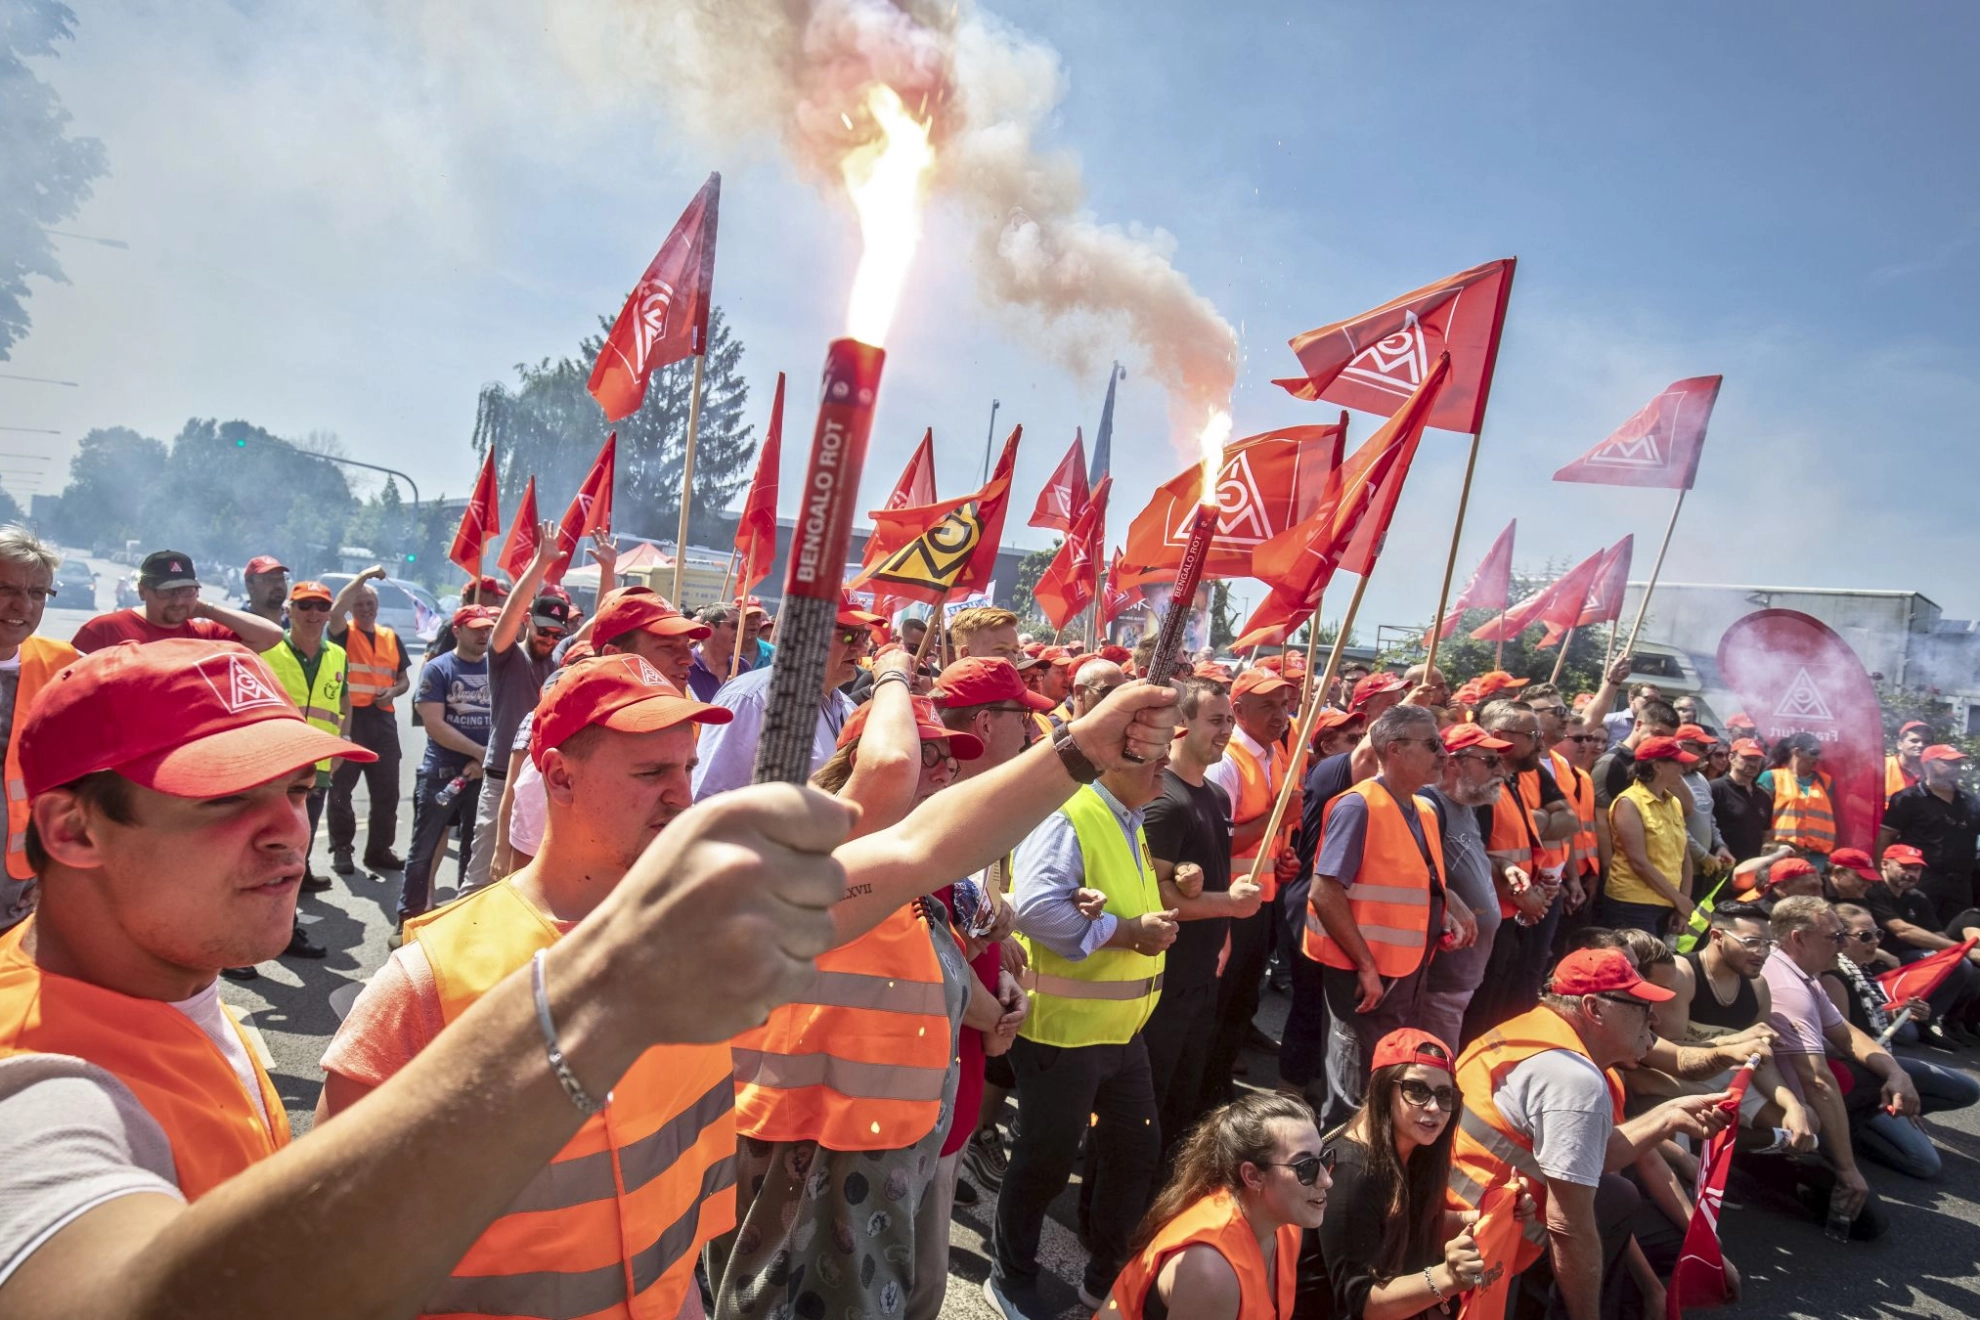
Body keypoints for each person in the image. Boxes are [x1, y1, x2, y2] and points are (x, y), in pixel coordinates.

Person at [718, 669, 1016, 1320]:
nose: (941, 771)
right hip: (811, 1152)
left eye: (948, 759)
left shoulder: (917, 881)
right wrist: (890, 667)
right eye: (928, 755)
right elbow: (888, 771)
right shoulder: (832, 861)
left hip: (889, 1149)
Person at [989, 755, 1180, 1315]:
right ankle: (1010, 1277)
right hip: (1063, 1034)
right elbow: (1036, 910)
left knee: (1135, 1152)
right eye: (1153, 752)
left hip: (1123, 1033)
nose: (1166, 762)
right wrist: (1127, 932)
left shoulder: (1130, 815)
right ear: (1115, 759)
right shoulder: (1070, 812)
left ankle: (1104, 1281)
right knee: (1044, 1163)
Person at [1447, 948, 1734, 1320]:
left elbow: (1588, 1157)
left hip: (1450, 1207)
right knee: (1609, 1215)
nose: (1655, 1018)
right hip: (1480, 1238)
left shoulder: (1534, 1028)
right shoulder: (1575, 1080)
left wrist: (1668, 1115)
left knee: (1616, 1195)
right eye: (1640, 1006)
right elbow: (1569, 1226)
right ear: (1594, 1009)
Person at [1305, 705, 1458, 1128]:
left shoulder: (1423, 807)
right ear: (1394, 750)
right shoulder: (1358, 806)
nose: (1443, 753)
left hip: (1403, 972)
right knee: (1353, 1089)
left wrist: (1455, 909)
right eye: (1432, 744)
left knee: (1381, 1081)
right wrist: (1366, 965)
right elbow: (1324, 890)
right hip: (1364, 976)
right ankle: (1337, 1177)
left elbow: (1422, 875)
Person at [1311, 1030, 1503, 1320]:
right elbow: (1361, 1304)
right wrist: (1446, 1278)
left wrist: (1495, 1217)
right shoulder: (1351, 1174)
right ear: (1383, 1089)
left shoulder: (1413, 1148)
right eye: (1416, 1090)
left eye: (1445, 1094)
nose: (1434, 1107)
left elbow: (1411, 1223)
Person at [1758, 895, 1919, 1237]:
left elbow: (1845, 1034)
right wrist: (1848, 1171)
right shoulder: (1788, 986)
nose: (1843, 943)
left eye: (1843, 934)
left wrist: (1896, 1073)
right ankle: (1779, 1163)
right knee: (1871, 1226)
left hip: (1802, 1100)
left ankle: (1832, 1150)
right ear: (1798, 939)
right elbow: (1817, 1081)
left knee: (1882, 1074)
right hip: (1779, 1108)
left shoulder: (1805, 972)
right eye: (1834, 937)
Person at [1143, 678, 1255, 1155]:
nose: (1226, 730)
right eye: (1216, 720)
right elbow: (1158, 898)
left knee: (1182, 1097)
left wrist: (1224, 931)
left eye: (1229, 720)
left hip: (1203, 972)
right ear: (1181, 724)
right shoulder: (1162, 799)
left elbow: (1211, 877)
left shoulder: (1218, 796)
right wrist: (1228, 905)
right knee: (1151, 1101)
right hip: (1166, 975)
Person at [1102, 1092, 1325, 1320]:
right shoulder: (1211, 1272)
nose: (1327, 1180)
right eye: (1306, 1167)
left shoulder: (1286, 1222)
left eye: (1324, 1159)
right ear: (1253, 1176)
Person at [1821, 902, 1980, 1177]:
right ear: (1841, 938)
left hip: (1878, 1062)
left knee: (1966, 1089)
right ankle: (1850, 1126)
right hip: (1861, 1072)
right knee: (1925, 1163)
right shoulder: (1833, 977)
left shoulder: (1861, 972)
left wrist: (1899, 1011)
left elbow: (1867, 1015)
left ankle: (1885, 1113)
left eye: (1878, 934)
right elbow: (1841, 1044)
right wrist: (1894, 1080)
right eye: (1865, 936)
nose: (1875, 942)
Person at [1202, 667, 1299, 1100]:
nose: (1280, 715)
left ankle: (1218, 1088)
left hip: (1259, 901)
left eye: (1283, 704)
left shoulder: (1274, 754)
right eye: (1267, 706)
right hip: (1225, 906)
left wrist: (1282, 857)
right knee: (1218, 1008)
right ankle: (1205, 1094)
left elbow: (1265, 835)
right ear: (1237, 711)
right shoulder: (1226, 762)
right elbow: (1214, 839)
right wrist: (1275, 817)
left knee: (1241, 1003)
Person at [461, 524, 571, 896]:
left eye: (557, 634)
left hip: (538, 781)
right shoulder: (507, 657)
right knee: (480, 879)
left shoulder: (555, 662)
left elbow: (593, 632)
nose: (550, 639)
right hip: (498, 779)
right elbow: (508, 616)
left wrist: (606, 572)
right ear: (528, 622)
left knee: (519, 883)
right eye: (543, 631)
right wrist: (541, 562)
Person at [690, 594, 878, 798]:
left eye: (864, 636)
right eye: (849, 635)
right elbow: (708, 798)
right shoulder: (751, 700)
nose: (861, 648)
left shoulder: (847, 707)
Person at [398, 604, 495, 932]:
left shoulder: (495, 669)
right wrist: (479, 752)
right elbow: (434, 725)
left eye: (487, 628)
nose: (484, 634)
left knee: (474, 849)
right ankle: (408, 919)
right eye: (477, 629)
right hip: (441, 774)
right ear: (457, 631)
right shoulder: (437, 669)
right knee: (423, 850)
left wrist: (486, 759)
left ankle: (464, 922)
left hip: (482, 774)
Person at [0, 527, 75, 932]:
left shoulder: (63, 668)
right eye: (5, 588)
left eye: (37, 593)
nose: (21, 605)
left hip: (19, 893)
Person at [1418, 723, 1506, 1053]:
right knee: (1433, 1064)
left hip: (1460, 976)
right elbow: (1410, 866)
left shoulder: (1467, 807)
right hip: (1438, 979)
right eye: (1490, 761)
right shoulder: (1429, 803)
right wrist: (1447, 896)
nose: (1501, 770)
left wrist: (1505, 866)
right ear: (1454, 762)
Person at [262, 581, 348, 901]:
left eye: (322, 607)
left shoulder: (338, 655)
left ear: (329, 614)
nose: (314, 613)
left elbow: (343, 703)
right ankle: (278, 897)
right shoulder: (269, 651)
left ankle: (302, 873)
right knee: (276, 835)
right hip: (277, 763)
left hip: (319, 761)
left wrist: (344, 740)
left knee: (306, 830)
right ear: (290, 610)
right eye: (305, 605)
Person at [325, 566, 408, 875]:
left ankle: (379, 851)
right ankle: (342, 849)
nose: (365, 608)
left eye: (370, 603)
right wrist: (363, 578)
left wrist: (394, 691)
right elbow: (335, 613)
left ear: (377, 607)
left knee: (388, 791)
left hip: (383, 721)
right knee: (342, 789)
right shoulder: (343, 632)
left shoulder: (390, 637)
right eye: (359, 603)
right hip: (351, 719)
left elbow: (403, 680)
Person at [1857, 841, 1980, 1034]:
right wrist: (1964, 949)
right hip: (1874, 960)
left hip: (1905, 961)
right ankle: (1892, 1018)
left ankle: (1925, 1022)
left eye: (1916, 869)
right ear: (1885, 864)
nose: (1911, 874)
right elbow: (1902, 930)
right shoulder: (1873, 891)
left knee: (1960, 965)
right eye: (1904, 867)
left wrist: (1958, 954)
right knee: (1905, 1037)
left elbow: (1938, 935)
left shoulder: (1918, 898)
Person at [72, 548, 283, 655]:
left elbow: (271, 636)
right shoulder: (104, 630)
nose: (178, 600)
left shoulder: (205, 635)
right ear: (143, 591)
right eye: (167, 592)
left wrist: (206, 609)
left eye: (186, 591)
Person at [1600, 736, 1696, 938]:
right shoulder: (1629, 803)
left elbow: (1685, 857)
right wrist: (1679, 900)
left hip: (1667, 902)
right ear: (1658, 766)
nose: (1684, 767)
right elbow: (1638, 862)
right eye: (1678, 762)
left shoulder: (1674, 803)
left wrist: (1682, 904)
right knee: (1638, 967)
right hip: (1633, 904)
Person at [1881, 744, 1980, 923]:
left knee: (1958, 935)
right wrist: (1881, 871)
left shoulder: (1970, 801)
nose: (1954, 768)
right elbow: (1886, 836)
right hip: (1921, 879)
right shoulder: (1908, 798)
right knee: (1921, 931)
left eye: (1957, 763)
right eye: (1948, 763)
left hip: (1961, 884)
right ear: (1928, 765)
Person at [1758, 732, 1837, 870]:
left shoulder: (1825, 782)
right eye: (1814, 753)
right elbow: (1759, 819)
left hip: (1818, 857)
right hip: (1782, 853)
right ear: (1797, 752)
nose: (1818, 758)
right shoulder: (1771, 777)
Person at [1591, 697, 1678, 807]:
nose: (1662, 742)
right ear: (1639, 725)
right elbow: (1601, 818)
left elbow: (1687, 806)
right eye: (1658, 734)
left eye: (1668, 739)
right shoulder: (1610, 763)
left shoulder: (1657, 765)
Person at [1710, 737, 1773, 864]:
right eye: (1748, 758)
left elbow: (1766, 835)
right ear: (1731, 758)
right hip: (1721, 869)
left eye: (1757, 760)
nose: (1753, 764)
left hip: (1751, 871)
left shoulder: (1763, 797)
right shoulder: (1715, 789)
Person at [686, 601, 763, 700]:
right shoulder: (685, 664)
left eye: (742, 627)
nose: (740, 633)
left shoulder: (743, 668)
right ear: (709, 628)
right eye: (734, 625)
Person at [1602, 682, 1665, 748]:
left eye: (1656, 701)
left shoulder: (1657, 728)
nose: (1652, 703)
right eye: (1648, 698)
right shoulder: (1609, 720)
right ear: (1631, 699)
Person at [1886, 720, 1929, 802]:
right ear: (1900, 745)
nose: (1921, 745)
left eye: (1926, 742)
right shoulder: (1882, 767)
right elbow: (1856, 799)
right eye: (1914, 741)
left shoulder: (1935, 772)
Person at [240, 553, 290, 623]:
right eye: (269, 580)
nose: (278, 585)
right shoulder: (237, 624)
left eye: (281, 579)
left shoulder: (296, 624)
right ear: (250, 586)